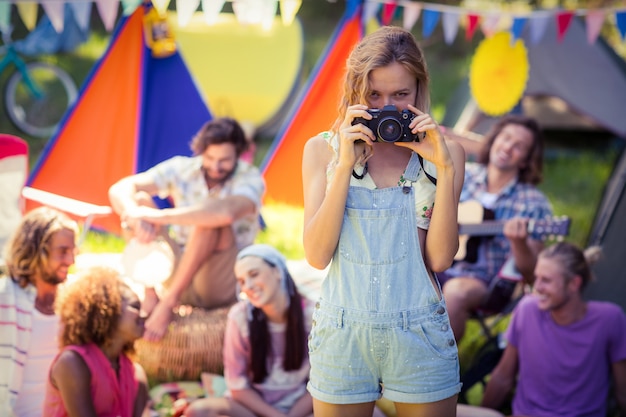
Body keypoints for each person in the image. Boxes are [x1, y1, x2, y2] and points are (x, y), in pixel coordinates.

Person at [301, 26, 465, 417]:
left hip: (420, 331)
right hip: (342, 331)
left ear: (419, 90)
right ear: (354, 91)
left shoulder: (447, 153)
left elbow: (440, 259)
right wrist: (344, 164)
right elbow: (317, 255)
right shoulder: (321, 150)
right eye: (373, 95)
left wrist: (442, 167)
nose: (387, 107)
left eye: (400, 95)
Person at [108, 117, 265, 341]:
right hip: (178, 266)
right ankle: (150, 291)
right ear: (200, 151)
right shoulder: (182, 167)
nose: (216, 166)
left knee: (210, 217)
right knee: (139, 202)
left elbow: (224, 213)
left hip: (220, 279)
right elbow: (119, 189)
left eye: (225, 160)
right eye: (210, 158)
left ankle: (168, 302)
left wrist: (160, 216)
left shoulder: (249, 177)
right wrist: (135, 216)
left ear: (238, 155)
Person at [459, 242, 626, 417]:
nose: (537, 287)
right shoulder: (527, 310)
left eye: (546, 280)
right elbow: (503, 376)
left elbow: (623, 390)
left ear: (574, 284)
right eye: (536, 277)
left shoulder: (609, 319)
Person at [440, 115, 553, 342]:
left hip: (486, 283)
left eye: (519, 146)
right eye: (506, 138)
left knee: (454, 292)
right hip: (439, 265)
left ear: (526, 160)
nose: (508, 147)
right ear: (493, 141)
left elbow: (532, 273)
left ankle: (435, 371)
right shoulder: (464, 174)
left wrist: (518, 242)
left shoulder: (533, 203)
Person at [183, 244, 318, 417]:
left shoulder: (312, 315)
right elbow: (237, 387)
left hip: (300, 408)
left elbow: (323, 382)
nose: (248, 285)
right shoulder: (240, 317)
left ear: (277, 271)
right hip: (253, 410)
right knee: (198, 411)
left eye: (254, 275)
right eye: (242, 281)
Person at [0, 206, 78, 417]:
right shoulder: (5, 298)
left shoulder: (75, 299)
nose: (71, 261)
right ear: (36, 250)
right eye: (63, 251)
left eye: (73, 251)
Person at [43, 265, 150, 417]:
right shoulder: (73, 362)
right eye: (135, 306)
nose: (144, 314)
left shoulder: (136, 375)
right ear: (108, 310)